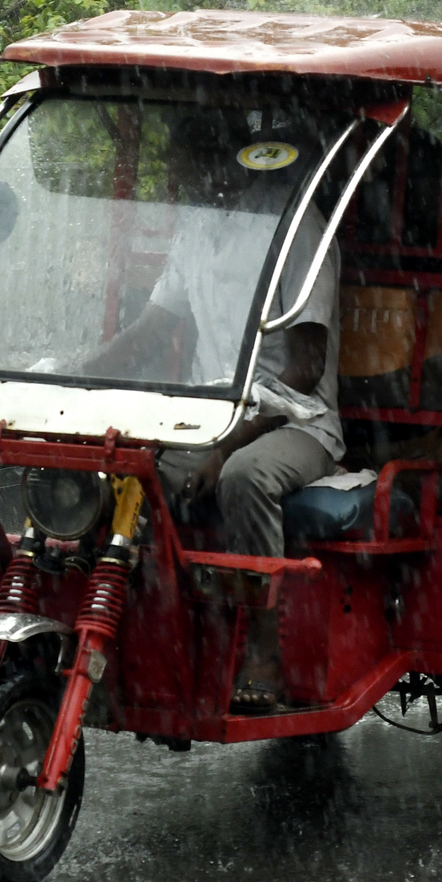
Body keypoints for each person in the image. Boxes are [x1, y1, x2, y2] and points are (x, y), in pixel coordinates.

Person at [83, 112, 341, 710]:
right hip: (209, 415)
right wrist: (75, 373)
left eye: (189, 165)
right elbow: (153, 329)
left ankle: (265, 651)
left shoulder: (297, 227)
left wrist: (226, 446)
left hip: (296, 421)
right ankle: (150, 634)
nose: (179, 180)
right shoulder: (197, 229)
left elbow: (305, 370)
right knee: (126, 475)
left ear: (231, 160)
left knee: (244, 477)